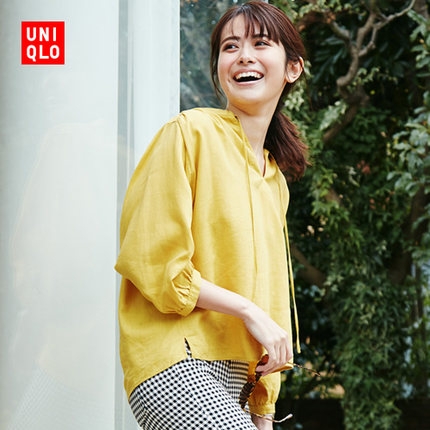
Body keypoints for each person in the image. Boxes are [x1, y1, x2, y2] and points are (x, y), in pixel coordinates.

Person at [115, 1, 308, 429]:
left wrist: (263, 410)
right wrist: (248, 311)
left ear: (292, 68)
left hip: (238, 378)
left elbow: (270, 295)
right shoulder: (189, 132)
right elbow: (154, 261)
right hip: (176, 362)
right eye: (230, 47)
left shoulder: (274, 181)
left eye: (260, 44)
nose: (243, 56)